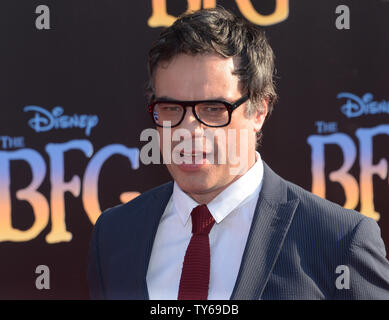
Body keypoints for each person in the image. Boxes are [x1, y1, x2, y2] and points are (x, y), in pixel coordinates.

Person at [87, 6, 389, 300]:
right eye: (170, 109)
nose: (188, 130)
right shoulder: (115, 235)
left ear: (259, 110)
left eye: (213, 109)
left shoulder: (338, 240)